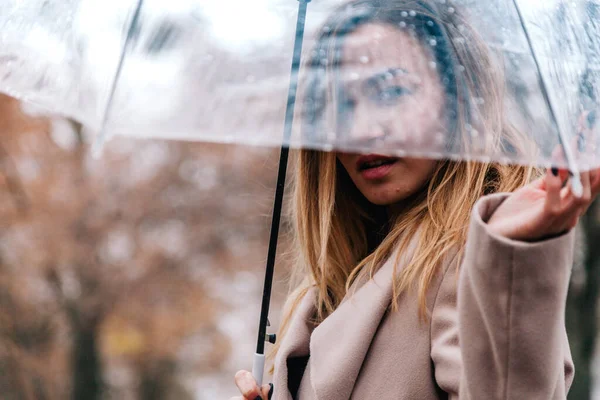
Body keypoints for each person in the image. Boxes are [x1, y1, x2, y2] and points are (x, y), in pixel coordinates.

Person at [231, 0, 600, 398]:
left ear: (458, 98)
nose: (361, 129)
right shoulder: (331, 291)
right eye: (341, 104)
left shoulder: (461, 262)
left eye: (390, 91)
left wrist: (514, 257)